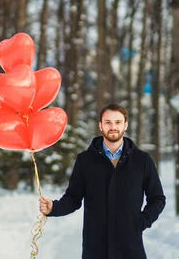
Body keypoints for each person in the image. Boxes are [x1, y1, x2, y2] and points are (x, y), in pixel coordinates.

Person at [39, 103, 166, 259]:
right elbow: (73, 198)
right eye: (108, 122)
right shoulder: (85, 160)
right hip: (95, 248)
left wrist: (141, 222)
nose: (113, 127)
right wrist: (54, 208)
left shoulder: (142, 160)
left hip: (130, 248)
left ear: (125, 125)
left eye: (118, 122)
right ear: (100, 125)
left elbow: (157, 198)